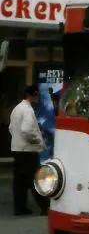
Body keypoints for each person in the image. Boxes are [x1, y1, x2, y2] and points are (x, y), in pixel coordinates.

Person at [9, 85, 48, 216]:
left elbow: (11, 128)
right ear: (32, 95)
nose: (38, 98)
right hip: (28, 150)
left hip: (17, 148)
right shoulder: (27, 110)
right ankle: (44, 206)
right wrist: (37, 140)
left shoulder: (17, 109)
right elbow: (26, 130)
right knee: (34, 178)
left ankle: (19, 208)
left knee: (19, 181)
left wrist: (18, 139)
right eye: (37, 96)